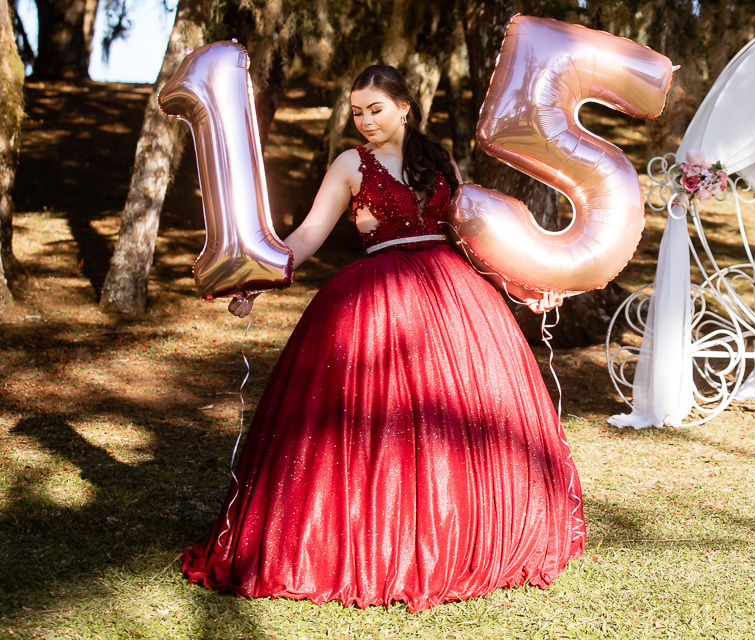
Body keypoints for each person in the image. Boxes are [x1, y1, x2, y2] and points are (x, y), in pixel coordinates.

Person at [181, 64, 586, 611]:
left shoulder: (437, 159)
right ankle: (375, 538)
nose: (366, 121)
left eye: (375, 109)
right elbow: (306, 234)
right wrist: (258, 280)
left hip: (453, 295)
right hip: (378, 297)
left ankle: (464, 532)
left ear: (403, 108)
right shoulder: (350, 164)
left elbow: (470, 231)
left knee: (460, 409)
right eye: (357, 112)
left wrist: (528, 281)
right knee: (381, 415)